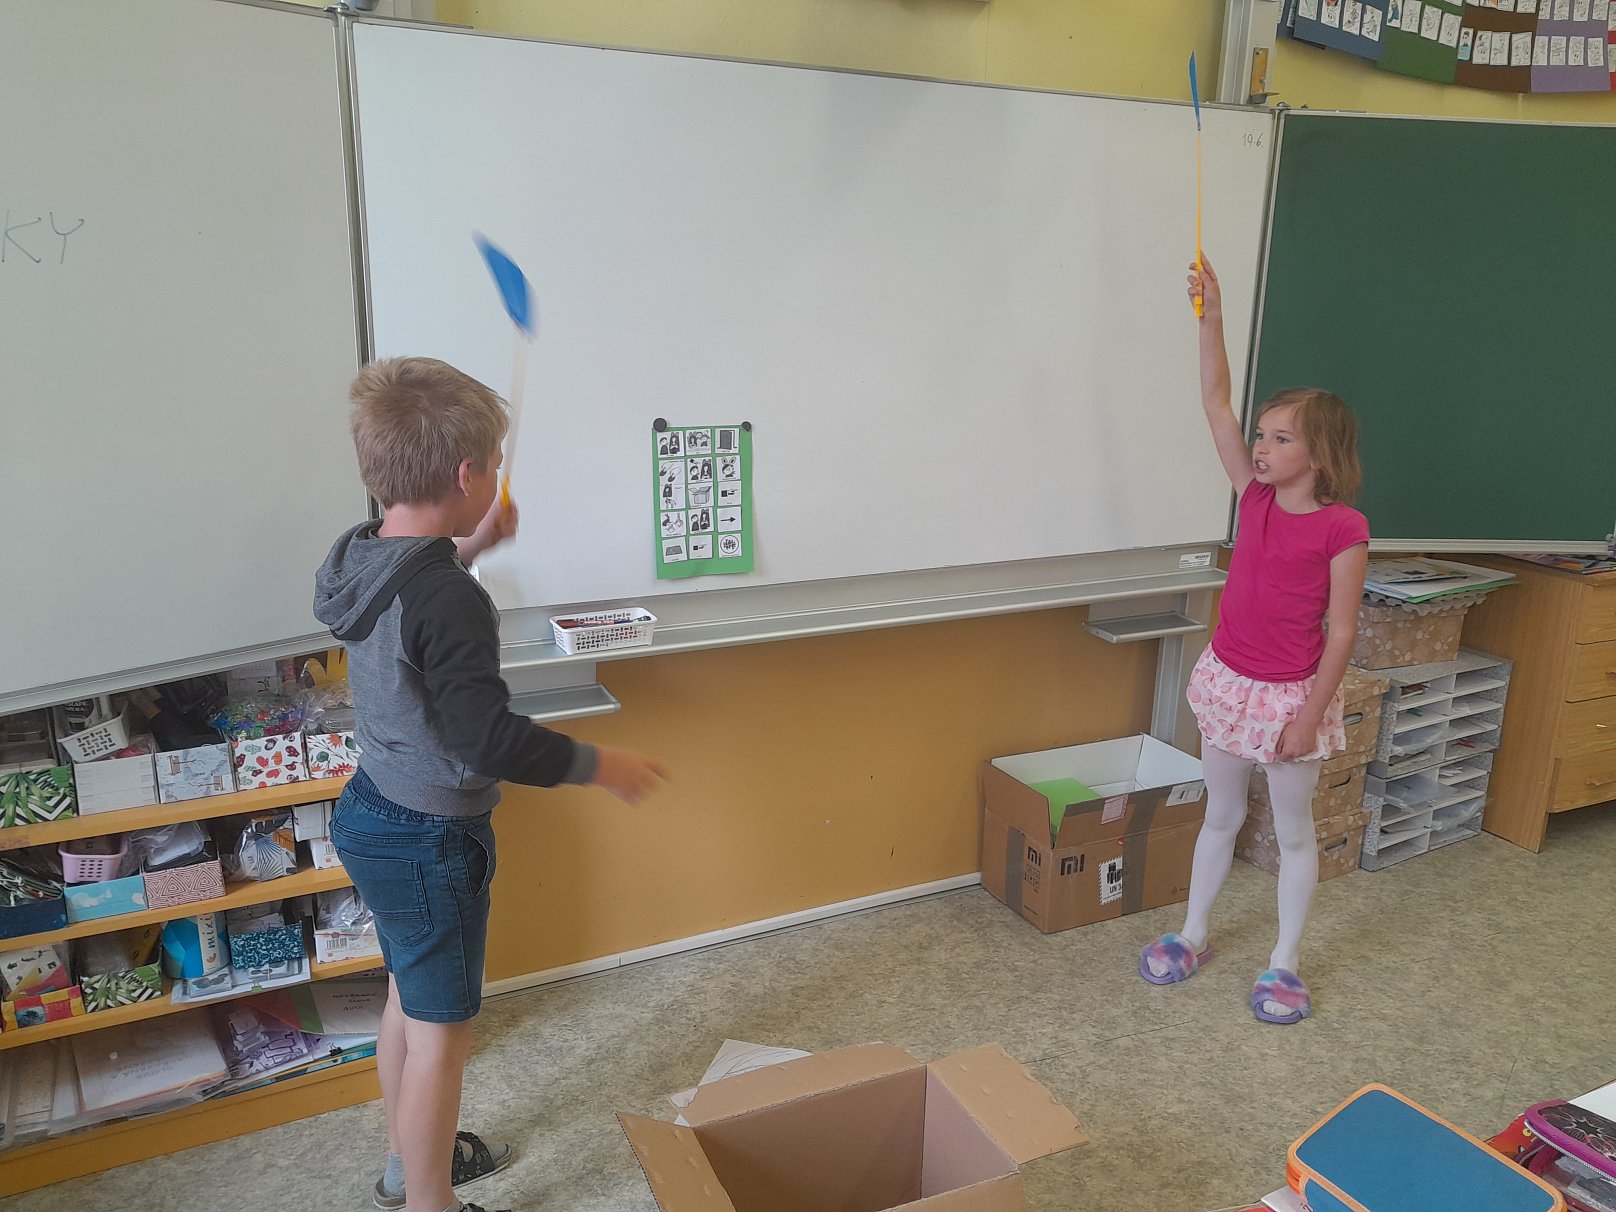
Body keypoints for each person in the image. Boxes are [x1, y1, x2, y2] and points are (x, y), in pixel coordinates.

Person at [314, 357, 667, 1212]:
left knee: (407, 1001)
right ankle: (429, 1202)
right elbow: (487, 737)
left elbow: (410, 598)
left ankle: (406, 1169)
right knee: (441, 1037)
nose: (502, 473)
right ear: (467, 475)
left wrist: (470, 547)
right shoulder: (449, 600)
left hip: (370, 813)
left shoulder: (359, 558)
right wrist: (600, 765)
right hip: (430, 837)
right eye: (497, 461)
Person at [1137, 258, 1369, 1026]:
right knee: (1220, 815)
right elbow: (1215, 403)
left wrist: (1310, 714)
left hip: (1291, 698)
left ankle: (1285, 963)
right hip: (1229, 683)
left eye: (1280, 438)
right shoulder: (1254, 498)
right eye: (1261, 436)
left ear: (1321, 455)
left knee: (1294, 833)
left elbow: (1342, 630)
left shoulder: (1343, 528)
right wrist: (1211, 315)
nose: (1261, 448)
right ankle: (1194, 933)